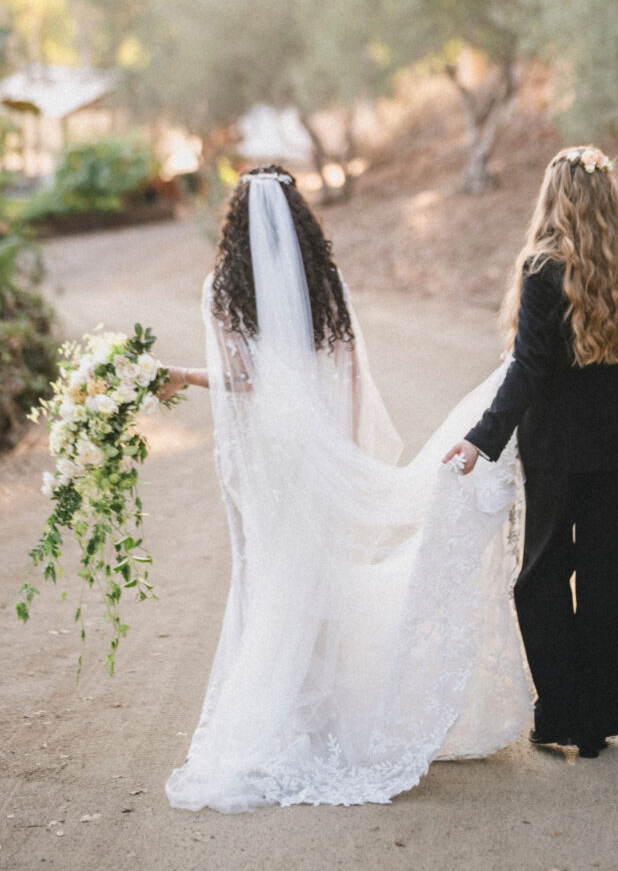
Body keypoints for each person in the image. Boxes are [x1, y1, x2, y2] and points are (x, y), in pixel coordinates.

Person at [160, 166, 531, 813]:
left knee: (277, 575)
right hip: (319, 449)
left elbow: (241, 380)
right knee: (319, 574)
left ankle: (288, 718)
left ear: (236, 221)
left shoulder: (224, 287)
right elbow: (351, 370)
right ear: (299, 217)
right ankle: (329, 717)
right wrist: (347, 445)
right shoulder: (324, 281)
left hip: (273, 454)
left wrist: (179, 377)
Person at [444, 145, 618, 760]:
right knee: (611, 581)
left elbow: (530, 367)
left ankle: (559, 710)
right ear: (607, 198)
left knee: (537, 580)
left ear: (554, 196)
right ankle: (594, 725)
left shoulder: (542, 268)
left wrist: (482, 438)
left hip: (561, 445)